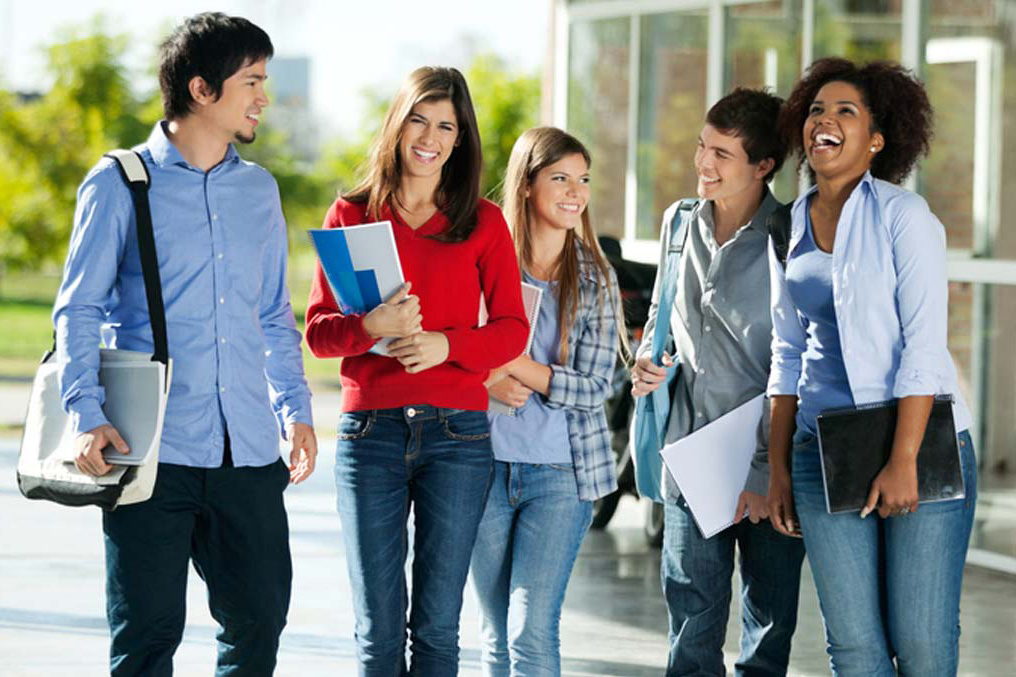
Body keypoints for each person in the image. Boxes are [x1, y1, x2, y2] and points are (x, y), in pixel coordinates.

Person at [54, 12, 317, 676]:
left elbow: (272, 315)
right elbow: (77, 308)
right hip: (151, 452)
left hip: (249, 450)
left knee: (259, 621)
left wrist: (296, 410)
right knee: (146, 637)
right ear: (202, 90)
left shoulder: (259, 190)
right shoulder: (118, 182)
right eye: (252, 81)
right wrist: (86, 415)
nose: (264, 96)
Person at [304, 66, 529, 676]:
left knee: (436, 630)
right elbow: (319, 333)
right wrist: (372, 327)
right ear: (398, 126)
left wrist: (443, 345)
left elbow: (512, 329)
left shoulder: (483, 222)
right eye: (418, 120)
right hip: (368, 435)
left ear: (460, 140)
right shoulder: (350, 214)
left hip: (458, 438)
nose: (429, 137)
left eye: (446, 126)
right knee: (378, 633)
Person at [767, 57, 977, 676]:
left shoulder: (903, 217)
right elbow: (786, 353)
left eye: (845, 112)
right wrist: (777, 467)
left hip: (917, 442)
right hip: (822, 452)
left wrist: (903, 460)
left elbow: (924, 346)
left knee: (921, 641)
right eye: (815, 110)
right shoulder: (789, 223)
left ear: (876, 140)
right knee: (854, 647)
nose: (823, 121)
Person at [631, 88, 806, 676]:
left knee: (768, 624)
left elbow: (801, 360)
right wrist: (646, 361)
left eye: (722, 155)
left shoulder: (792, 236)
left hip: (769, 461)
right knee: (691, 624)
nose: (703, 164)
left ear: (763, 166)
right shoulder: (679, 222)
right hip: (691, 455)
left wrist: (764, 471)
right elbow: (661, 315)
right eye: (702, 147)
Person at [468, 127, 626, 676]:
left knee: (529, 632)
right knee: (494, 635)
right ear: (526, 183)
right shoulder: (482, 262)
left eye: (582, 180)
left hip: (562, 474)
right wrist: (486, 378)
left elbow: (594, 387)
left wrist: (510, 362)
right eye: (559, 178)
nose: (574, 192)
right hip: (480, 465)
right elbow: (451, 353)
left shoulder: (595, 276)